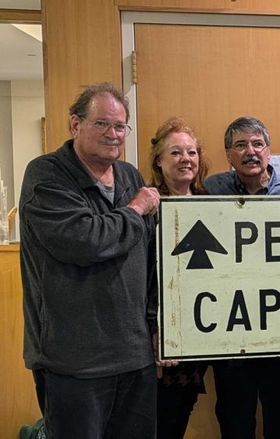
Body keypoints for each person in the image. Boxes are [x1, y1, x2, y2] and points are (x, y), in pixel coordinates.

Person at [19, 83, 160, 438]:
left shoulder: (129, 176)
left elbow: (149, 258)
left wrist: (156, 327)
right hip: (74, 361)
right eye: (102, 124)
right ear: (75, 125)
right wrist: (137, 208)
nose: (113, 135)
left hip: (134, 355)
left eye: (119, 127)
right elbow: (85, 241)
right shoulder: (47, 175)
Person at [204, 116, 280, 438]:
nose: (250, 152)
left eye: (257, 144)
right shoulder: (210, 191)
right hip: (232, 330)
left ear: (268, 150)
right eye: (240, 145)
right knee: (235, 421)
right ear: (228, 154)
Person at [148, 116, 210, 438]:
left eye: (191, 152)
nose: (186, 159)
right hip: (162, 340)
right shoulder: (147, 207)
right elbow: (143, 279)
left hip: (199, 336)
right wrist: (153, 329)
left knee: (179, 417)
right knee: (162, 423)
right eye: (175, 152)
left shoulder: (212, 205)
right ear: (159, 161)